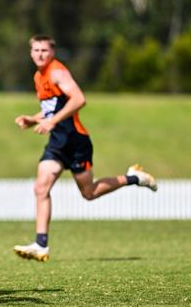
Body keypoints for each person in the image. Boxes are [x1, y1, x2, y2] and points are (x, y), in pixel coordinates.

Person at [13, 35, 158, 261]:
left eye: (44, 50)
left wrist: (51, 122)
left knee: (89, 193)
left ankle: (134, 178)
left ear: (52, 53)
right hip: (57, 143)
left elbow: (79, 99)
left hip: (76, 141)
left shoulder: (57, 72)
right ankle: (41, 244)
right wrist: (34, 119)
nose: (40, 54)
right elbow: (53, 107)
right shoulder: (38, 76)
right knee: (41, 188)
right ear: (30, 52)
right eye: (35, 50)